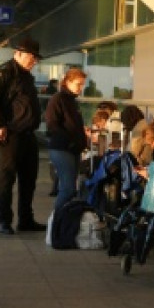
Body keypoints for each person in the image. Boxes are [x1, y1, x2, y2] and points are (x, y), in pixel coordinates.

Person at [0, 36, 45, 235]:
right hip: (11, 133)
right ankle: (4, 221)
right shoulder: (4, 71)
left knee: (29, 178)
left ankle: (26, 219)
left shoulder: (26, 75)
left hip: (28, 134)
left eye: (35, 58)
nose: (33, 61)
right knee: (7, 177)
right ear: (17, 54)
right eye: (31, 57)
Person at [43, 67, 88, 218]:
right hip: (63, 148)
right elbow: (52, 124)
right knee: (68, 188)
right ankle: (56, 221)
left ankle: (60, 220)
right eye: (78, 84)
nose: (81, 88)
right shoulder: (59, 99)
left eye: (82, 85)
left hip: (71, 148)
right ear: (67, 82)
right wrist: (70, 141)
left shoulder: (71, 100)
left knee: (69, 188)